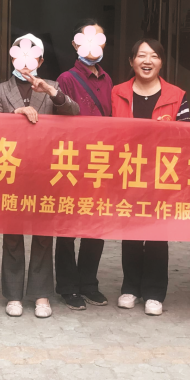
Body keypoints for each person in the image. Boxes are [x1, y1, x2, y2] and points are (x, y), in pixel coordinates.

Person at [0, 33, 79, 319]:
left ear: (40, 61)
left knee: (43, 235)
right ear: (12, 58)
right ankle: (13, 295)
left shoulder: (53, 86)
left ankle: (41, 294)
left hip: (45, 170)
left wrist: (50, 92)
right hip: (11, 170)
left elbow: (74, 112)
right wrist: (15, 115)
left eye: (33, 57)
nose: (26, 62)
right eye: (20, 56)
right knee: (12, 235)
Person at [111, 38, 190, 316]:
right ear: (131, 61)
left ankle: (155, 293)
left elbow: (187, 134)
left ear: (161, 62)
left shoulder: (177, 95)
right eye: (141, 55)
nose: (147, 61)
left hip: (163, 173)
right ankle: (130, 287)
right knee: (131, 231)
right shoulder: (117, 92)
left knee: (158, 233)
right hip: (128, 170)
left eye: (154, 56)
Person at [53, 19, 112, 310]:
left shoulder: (109, 80)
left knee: (96, 225)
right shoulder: (65, 79)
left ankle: (89, 283)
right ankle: (67, 286)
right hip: (73, 161)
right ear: (75, 44)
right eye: (87, 38)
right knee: (67, 226)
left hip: (101, 160)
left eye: (98, 38)